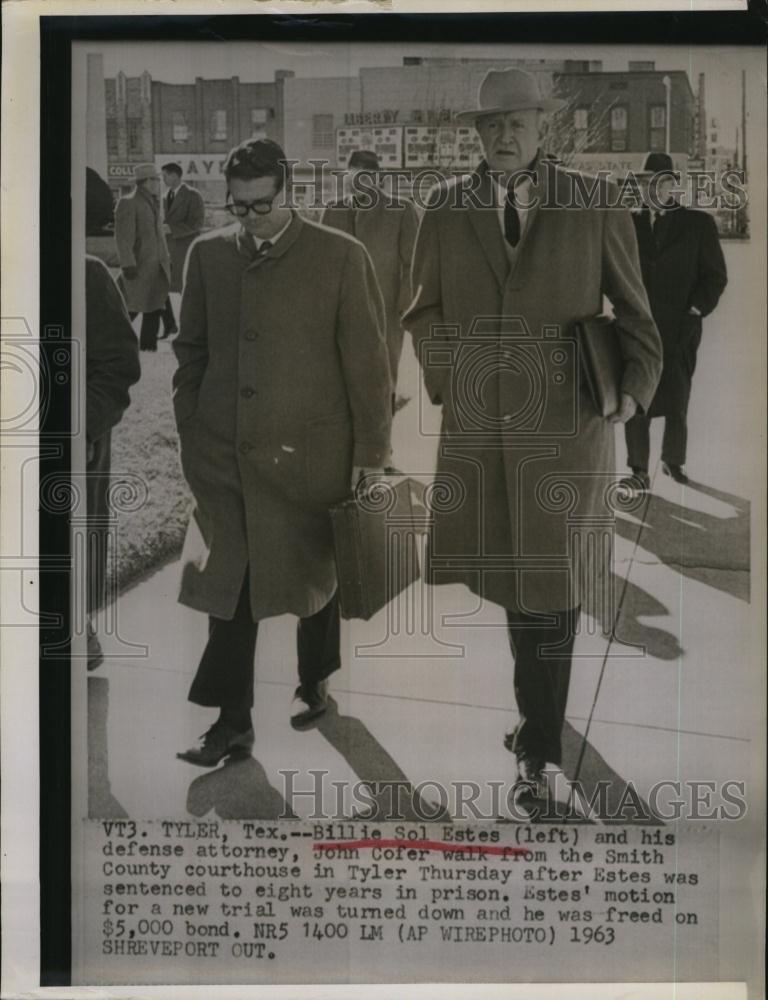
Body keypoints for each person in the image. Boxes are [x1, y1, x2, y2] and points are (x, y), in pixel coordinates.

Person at [404, 68, 662, 798]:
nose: (504, 135)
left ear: (541, 127)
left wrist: (633, 393)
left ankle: (537, 754)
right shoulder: (446, 208)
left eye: (517, 121)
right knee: (522, 589)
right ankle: (537, 723)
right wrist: (454, 376)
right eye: (490, 125)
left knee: (549, 588)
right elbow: (422, 312)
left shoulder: (594, 198)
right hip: (483, 437)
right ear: (476, 135)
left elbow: (636, 314)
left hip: (569, 432)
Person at [172, 138, 392, 767]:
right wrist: (192, 425)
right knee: (230, 589)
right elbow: (191, 353)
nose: (248, 219)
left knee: (313, 584)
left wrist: (369, 452)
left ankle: (315, 678)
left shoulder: (341, 258)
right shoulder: (207, 255)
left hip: (310, 461)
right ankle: (230, 725)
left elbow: (370, 368)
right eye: (237, 208)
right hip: (226, 458)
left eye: (260, 205)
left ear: (289, 190)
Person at [623, 152, 728, 488]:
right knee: (636, 395)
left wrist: (696, 309)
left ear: (671, 185)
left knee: (678, 398)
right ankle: (638, 468)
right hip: (638, 328)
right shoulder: (626, 223)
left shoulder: (698, 224)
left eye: (659, 182)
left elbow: (715, 277)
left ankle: (673, 461)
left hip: (680, 327)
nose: (652, 190)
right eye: (645, 183)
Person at [321, 149, 419, 409]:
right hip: (341, 306)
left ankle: (382, 435)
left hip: (385, 305)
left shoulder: (401, 209)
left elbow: (414, 261)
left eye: (368, 176)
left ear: (379, 178)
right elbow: (320, 262)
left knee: (383, 377)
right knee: (342, 378)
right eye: (355, 176)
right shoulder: (333, 209)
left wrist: (405, 303)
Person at [85, 255, 141, 669]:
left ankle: (74, 626)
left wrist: (76, 427)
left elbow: (118, 365)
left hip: (64, 444)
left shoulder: (86, 274)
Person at [114, 163, 171, 352]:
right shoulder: (128, 202)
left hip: (156, 265)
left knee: (154, 307)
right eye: (155, 179)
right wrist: (127, 264)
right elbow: (123, 237)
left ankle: (148, 347)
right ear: (145, 182)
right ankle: (109, 340)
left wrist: (165, 259)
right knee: (131, 307)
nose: (158, 183)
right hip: (138, 266)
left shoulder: (153, 202)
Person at [159, 162, 206, 338]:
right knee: (162, 287)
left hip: (186, 250)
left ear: (174, 175)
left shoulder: (193, 195)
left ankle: (192, 329)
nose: (162, 179)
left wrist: (172, 229)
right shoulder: (164, 197)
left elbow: (197, 223)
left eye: (164, 175)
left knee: (187, 291)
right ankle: (170, 325)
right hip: (167, 250)